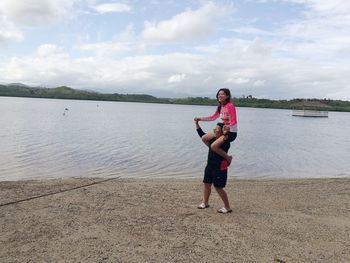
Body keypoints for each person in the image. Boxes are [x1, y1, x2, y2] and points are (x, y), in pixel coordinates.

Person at [195, 119, 233, 214]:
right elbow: (202, 135)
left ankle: (227, 207)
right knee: (207, 184)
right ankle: (205, 203)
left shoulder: (225, 142)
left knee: (218, 187)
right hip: (210, 165)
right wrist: (196, 124)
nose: (215, 131)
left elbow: (216, 146)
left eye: (217, 130)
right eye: (214, 129)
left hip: (220, 167)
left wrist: (225, 134)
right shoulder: (212, 140)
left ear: (222, 131)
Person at [194, 88, 237, 166]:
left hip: (231, 132)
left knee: (214, 146)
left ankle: (228, 158)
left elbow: (234, 121)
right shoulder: (220, 107)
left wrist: (228, 127)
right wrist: (200, 119)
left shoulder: (230, 106)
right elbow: (213, 117)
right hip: (223, 128)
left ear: (227, 96)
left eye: (222, 94)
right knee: (204, 138)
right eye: (218, 94)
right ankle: (215, 151)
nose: (219, 96)